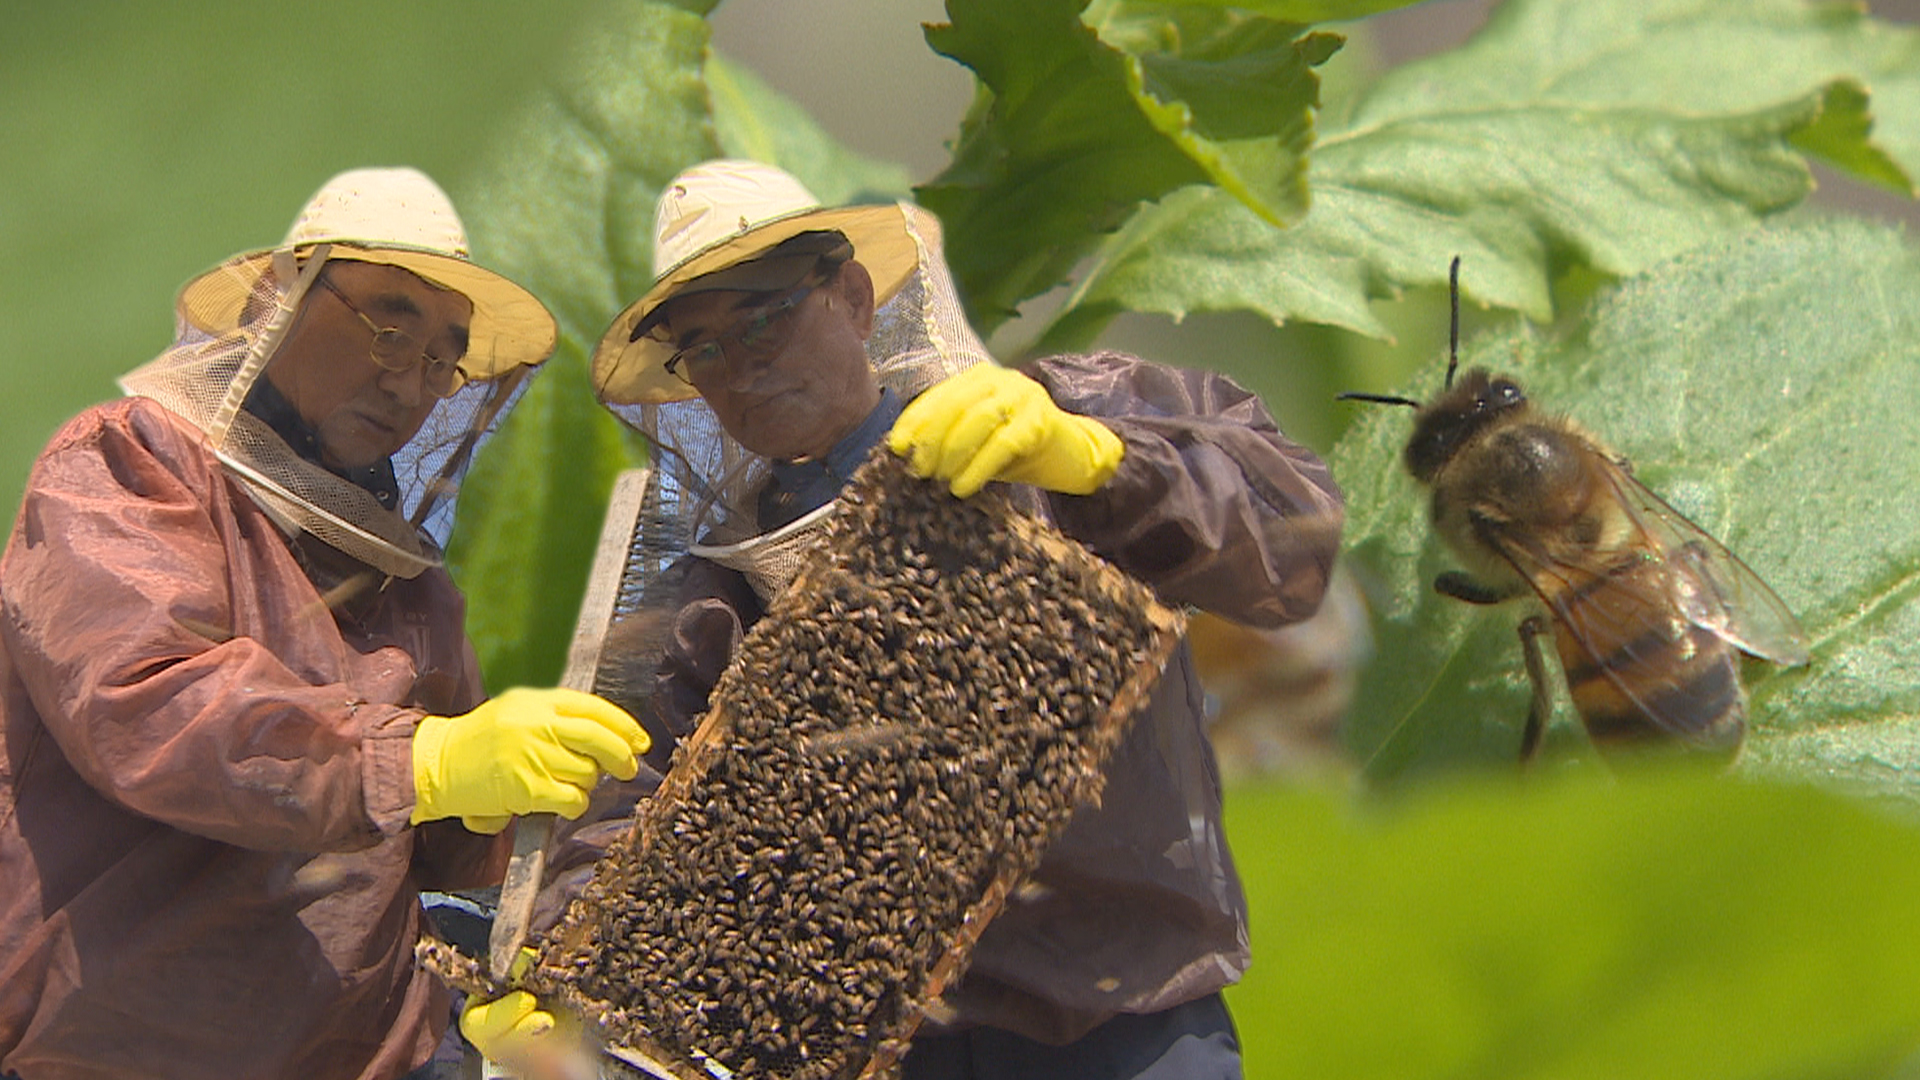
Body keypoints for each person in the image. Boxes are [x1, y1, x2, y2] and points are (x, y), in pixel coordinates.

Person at [466, 159, 1345, 1080]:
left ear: (850, 295)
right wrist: (570, 966)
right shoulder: (709, 598)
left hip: (1123, 1012)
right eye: (706, 353)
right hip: (881, 1048)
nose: (740, 372)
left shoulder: (1052, 415)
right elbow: (628, 808)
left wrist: (1101, 460)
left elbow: (1295, 537)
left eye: (761, 321)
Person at [0, 168, 651, 1080]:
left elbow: (438, 843)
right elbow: (146, 705)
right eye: (390, 324)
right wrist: (426, 761)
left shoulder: (409, 584)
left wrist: (513, 870)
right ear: (281, 298)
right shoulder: (129, 463)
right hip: (127, 1051)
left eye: (441, 359)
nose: (410, 380)